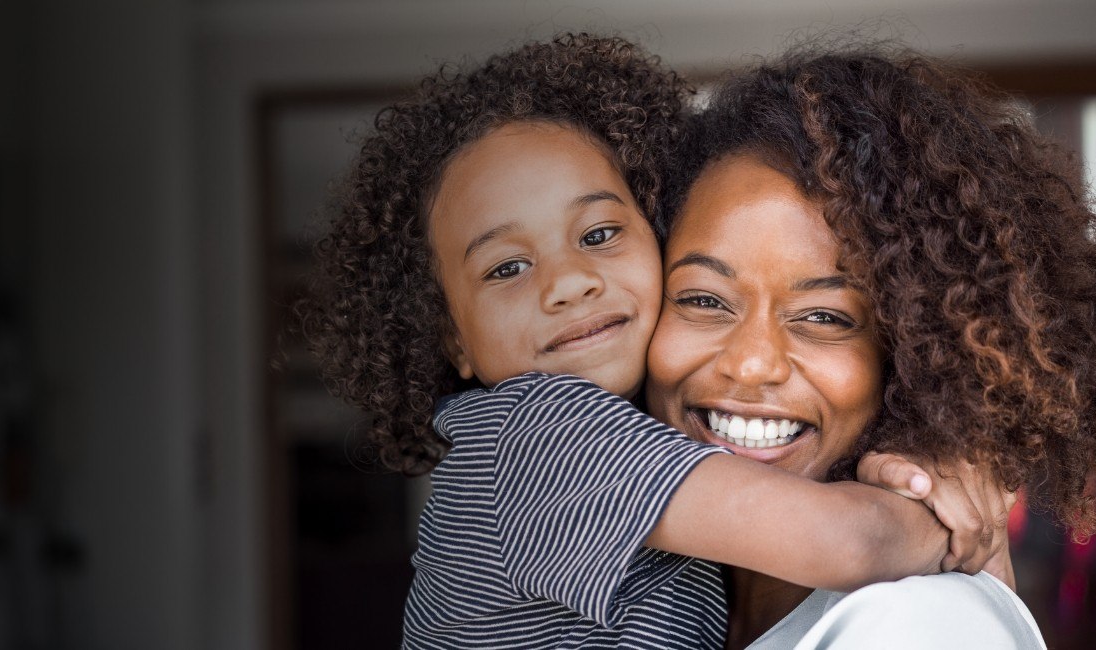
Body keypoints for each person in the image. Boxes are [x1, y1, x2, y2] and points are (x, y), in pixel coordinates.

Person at [298, 34, 1011, 648]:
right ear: (452, 339)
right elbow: (848, 542)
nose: (569, 283)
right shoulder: (535, 434)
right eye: (506, 268)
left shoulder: (647, 461)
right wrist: (948, 521)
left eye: (601, 235)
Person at [647, 44, 1096, 648]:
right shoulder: (637, 591)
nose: (753, 363)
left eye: (824, 316)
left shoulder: (919, 623)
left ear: (916, 359)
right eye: (704, 301)